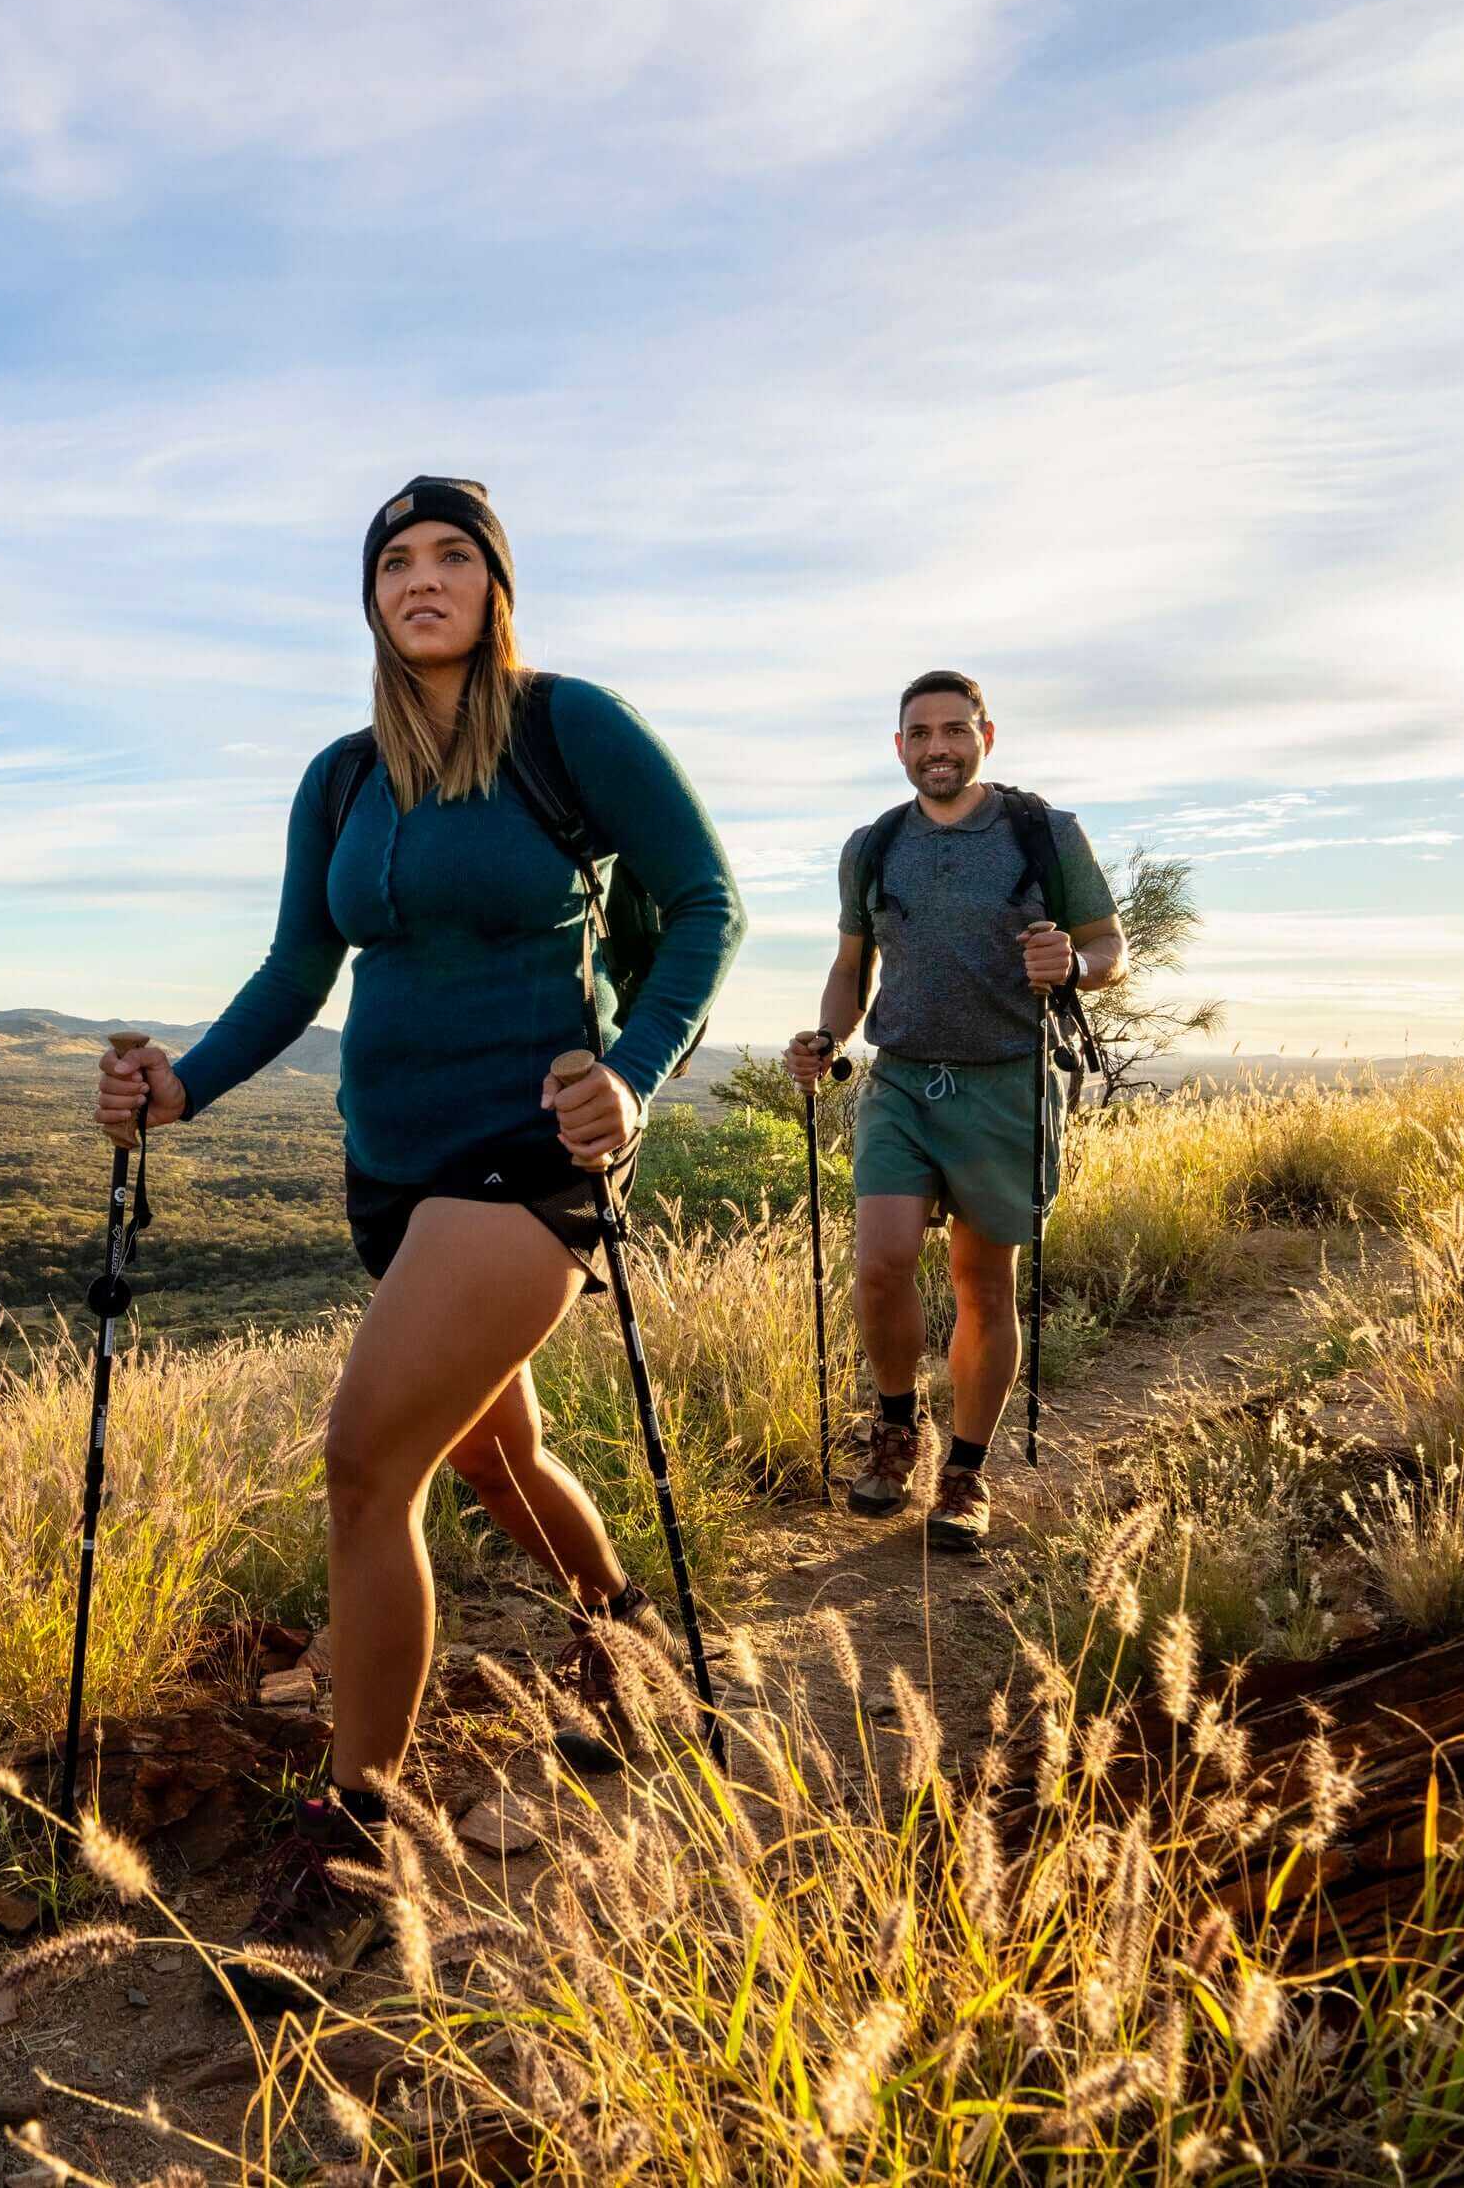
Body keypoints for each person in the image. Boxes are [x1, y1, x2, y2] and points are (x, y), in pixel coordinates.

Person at [95, 476, 742, 2006]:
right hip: (386, 1163)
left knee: (362, 1458)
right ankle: (619, 1629)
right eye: (397, 558)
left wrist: (629, 1075)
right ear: (371, 595)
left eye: (454, 554)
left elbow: (703, 901)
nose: (423, 577)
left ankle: (356, 1827)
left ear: (497, 583)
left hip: (530, 1147)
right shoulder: (340, 777)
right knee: (486, 1450)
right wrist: (180, 1086)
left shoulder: (568, 727)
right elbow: (296, 962)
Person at [784, 671, 1124, 1554]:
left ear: (986, 736)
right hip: (900, 1079)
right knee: (880, 1265)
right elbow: (852, 965)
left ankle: (965, 1476)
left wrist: (1074, 968)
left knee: (982, 1285)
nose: (937, 746)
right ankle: (898, 1432)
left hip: (1004, 1079)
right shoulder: (874, 845)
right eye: (919, 733)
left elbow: (1107, 947)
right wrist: (824, 1034)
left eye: (954, 730)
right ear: (899, 746)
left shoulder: (1041, 831)